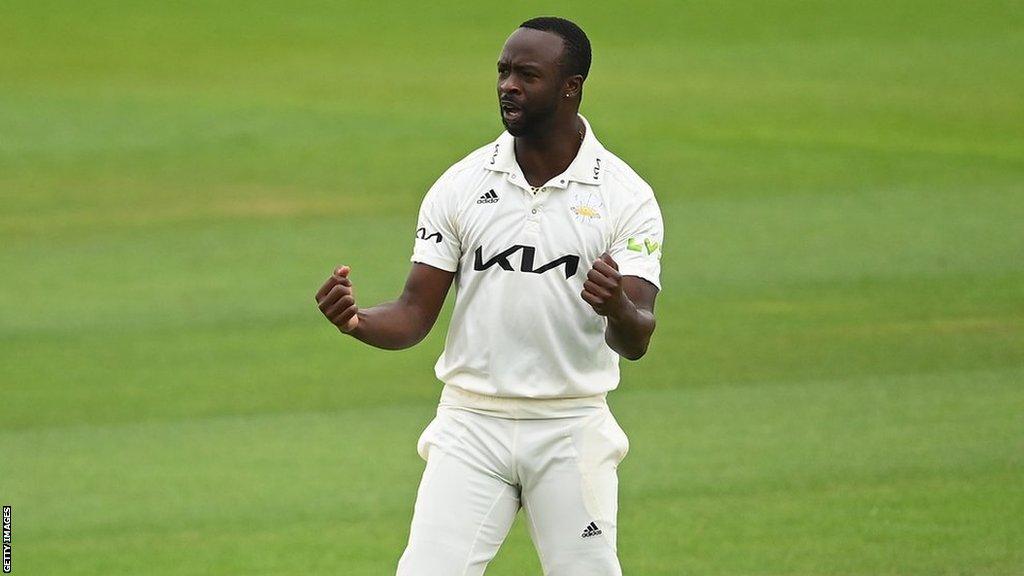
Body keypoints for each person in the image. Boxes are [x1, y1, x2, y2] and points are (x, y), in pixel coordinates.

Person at [314, 16, 663, 576]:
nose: (508, 85)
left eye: (527, 74)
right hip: (471, 423)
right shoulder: (462, 184)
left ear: (570, 86)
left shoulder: (626, 197)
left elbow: (638, 336)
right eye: (503, 72)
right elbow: (411, 314)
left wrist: (616, 305)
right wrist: (356, 321)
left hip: (569, 427)